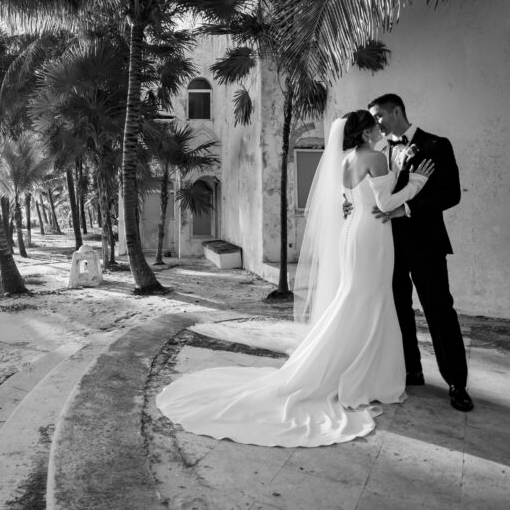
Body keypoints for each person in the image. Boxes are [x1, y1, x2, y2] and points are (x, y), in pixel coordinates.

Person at [156, 111, 433, 447]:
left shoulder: (344, 160)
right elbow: (385, 202)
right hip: (372, 234)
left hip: (353, 232)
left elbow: (342, 202)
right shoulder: (374, 157)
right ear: (363, 132)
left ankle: (352, 367)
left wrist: (354, 205)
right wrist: (417, 181)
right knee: (368, 298)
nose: (379, 130)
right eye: (374, 127)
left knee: (358, 296)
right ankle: (363, 375)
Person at [366, 93, 473, 412]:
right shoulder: (380, 149)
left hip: (426, 243)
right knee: (398, 309)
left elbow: (450, 194)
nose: (377, 124)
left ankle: (457, 382)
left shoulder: (437, 145)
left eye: (379, 116)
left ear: (396, 110)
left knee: (439, 309)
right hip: (389, 244)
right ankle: (411, 369)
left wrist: (407, 209)